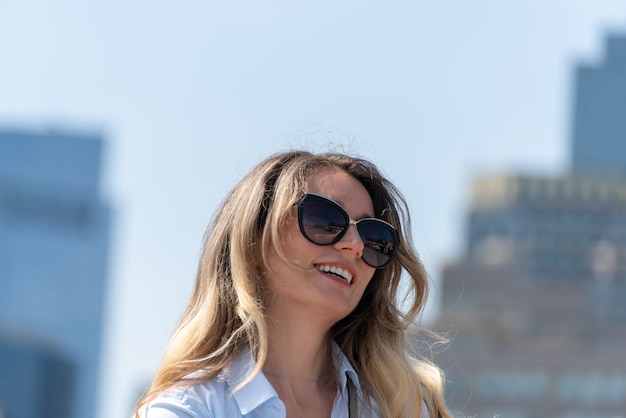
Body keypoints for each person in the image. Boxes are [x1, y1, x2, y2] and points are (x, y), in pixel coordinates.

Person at [134, 150, 453, 418]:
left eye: (373, 238)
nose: (355, 245)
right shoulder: (187, 410)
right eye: (325, 219)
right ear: (254, 241)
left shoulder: (402, 408)